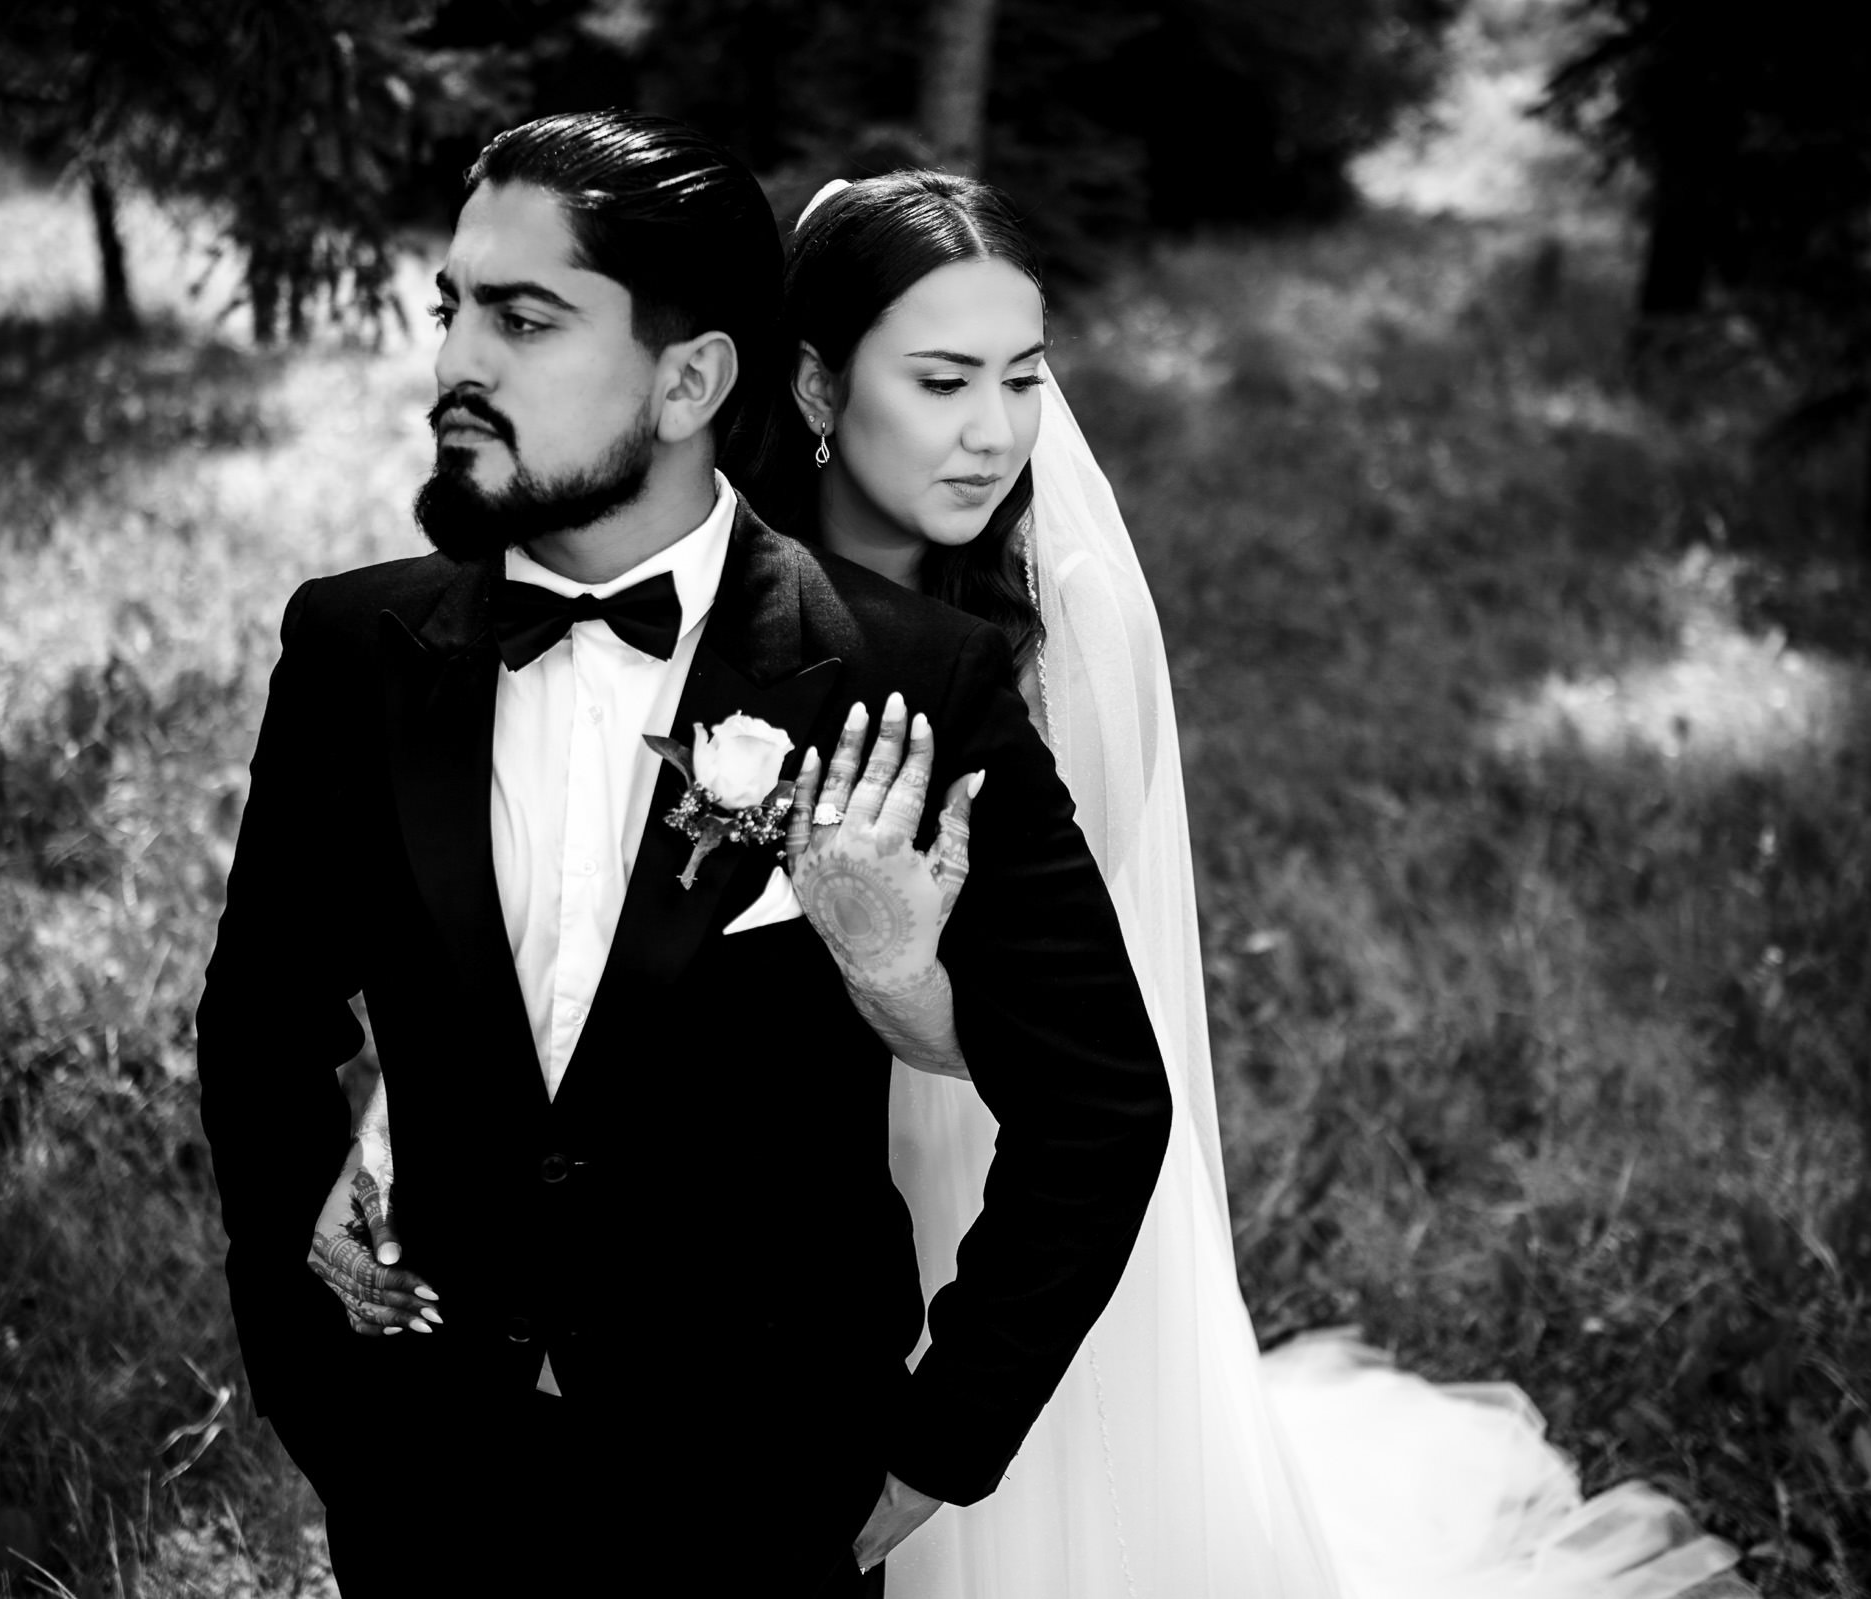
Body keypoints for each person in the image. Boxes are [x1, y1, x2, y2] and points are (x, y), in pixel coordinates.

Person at [318, 160, 1763, 1596]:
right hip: (706, 1192)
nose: (996, 434)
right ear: (816, 392)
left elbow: (1075, 1042)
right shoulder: (690, 574)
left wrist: (895, 972)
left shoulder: (1054, 625)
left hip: (955, 1151)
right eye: (944, 382)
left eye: (1024, 379)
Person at [198, 113, 1174, 1596]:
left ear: (692, 378)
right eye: (453, 308)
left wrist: (929, 1449)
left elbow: (1098, 1104)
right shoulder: (351, 649)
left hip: (763, 1488)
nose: (459, 363)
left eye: (527, 320)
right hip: (423, 1481)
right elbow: (263, 1026)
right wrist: (314, 1387)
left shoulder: (907, 677)